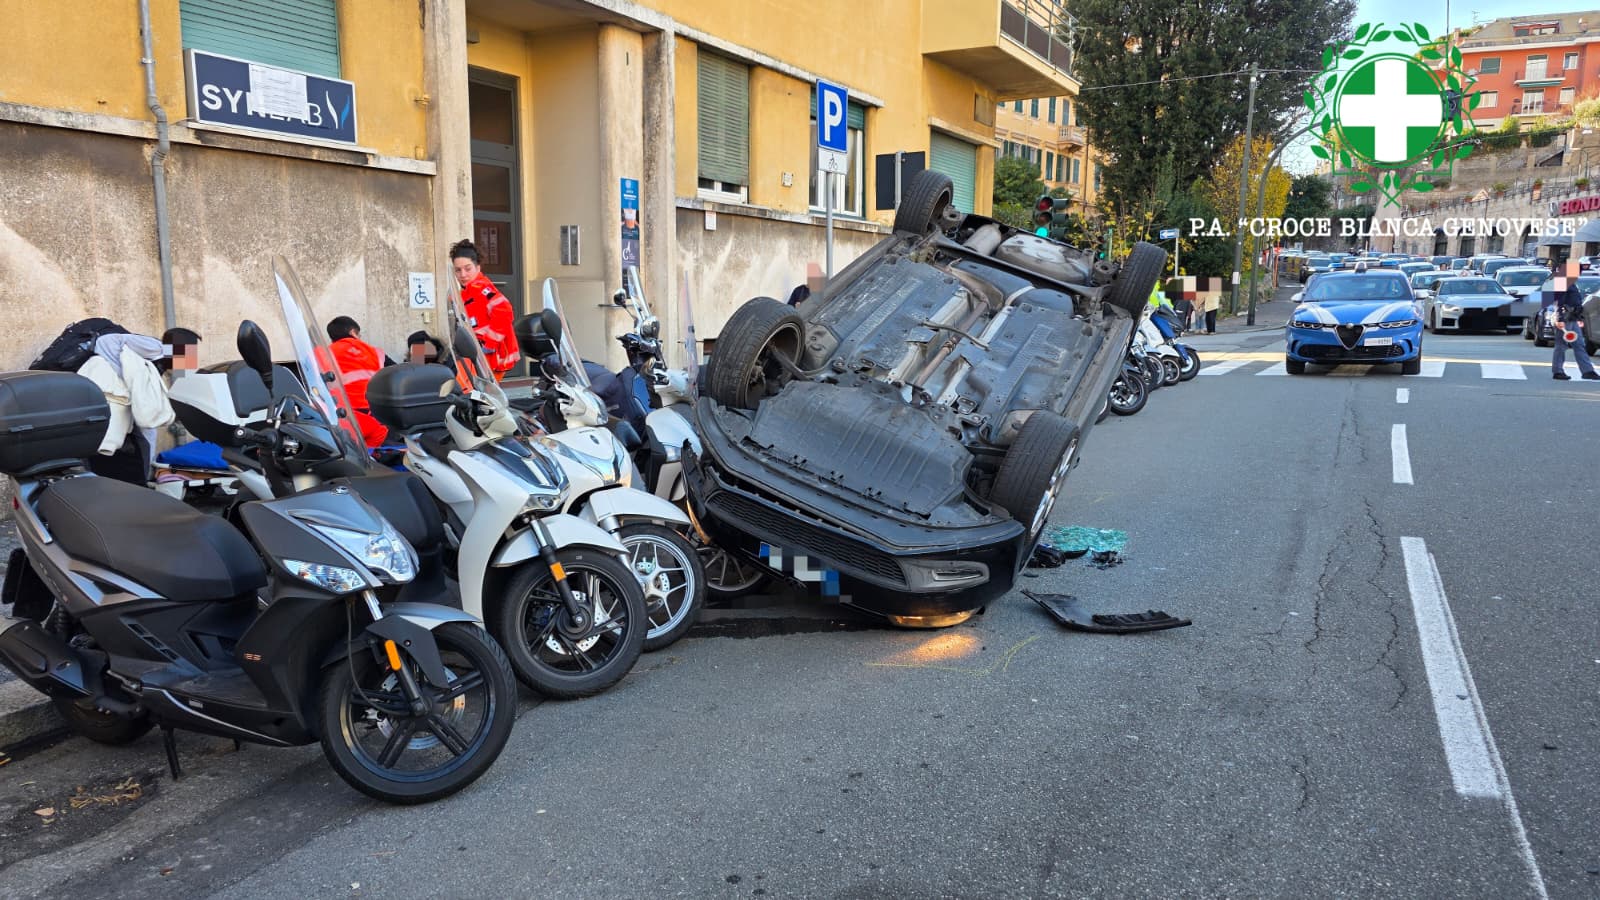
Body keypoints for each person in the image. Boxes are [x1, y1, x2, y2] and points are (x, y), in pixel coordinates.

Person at [77, 333, 174, 485]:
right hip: (114, 395)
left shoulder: (161, 355)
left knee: (142, 437)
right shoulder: (155, 347)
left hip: (120, 398)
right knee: (122, 439)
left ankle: (142, 479)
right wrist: (123, 375)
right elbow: (105, 342)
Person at [450, 239, 520, 379]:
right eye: (458, 270)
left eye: (468, 268)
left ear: (478, 267)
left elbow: (505, 312)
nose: (463, 274)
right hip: (479, 355)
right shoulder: (465, 292)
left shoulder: (482, 288)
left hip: (490, 356)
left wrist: (489, 344)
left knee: (480, 395)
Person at [326, 316, 391, 447]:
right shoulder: (375, 352)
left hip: (341, 417)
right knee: (380, 432)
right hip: (373, 416)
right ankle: (369, 459)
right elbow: (397, 373)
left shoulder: (325, 353)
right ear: (353, 332)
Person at [1549, 261, 1598, 380]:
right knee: (1561, 346)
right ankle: (1558, 371)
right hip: (1565, 318)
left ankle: (1587, 371)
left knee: (1579, 344)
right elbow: (1559, 302)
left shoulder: (1570, 282)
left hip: (1572, 317)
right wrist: (1559, 319)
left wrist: (1579, 318)